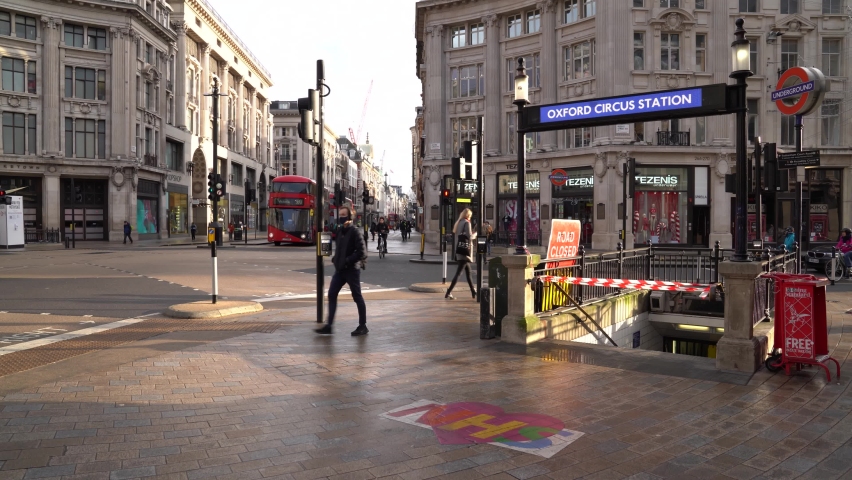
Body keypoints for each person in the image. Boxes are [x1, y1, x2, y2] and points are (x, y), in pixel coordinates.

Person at [316, 206, 368, 336]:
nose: (341, 217)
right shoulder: (340, 231)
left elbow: (362, 252)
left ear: (350, 216)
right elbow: (339, 248)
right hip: (340, 270)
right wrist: (336, 259)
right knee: (332, 294)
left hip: (351, 270)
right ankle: (329, 325)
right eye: (340, 215)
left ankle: (363, 326)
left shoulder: (355, 232)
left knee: (357, 297)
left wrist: (347, 260)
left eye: (344, 214)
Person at [445, 208, 477, 300]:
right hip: (465, 251)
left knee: (469, 272)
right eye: (470, 216)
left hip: (459, 249)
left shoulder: (458, 222)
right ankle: (448, 291)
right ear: (468, 216)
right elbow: (470, 236)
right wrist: (477, 234)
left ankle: (473, 291)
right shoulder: (467, 223)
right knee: (459, 273)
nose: (470, 217)